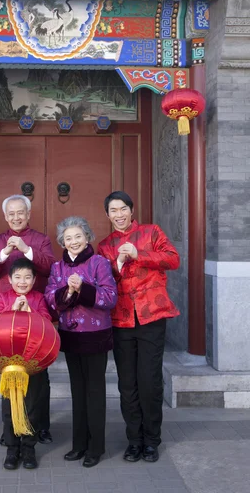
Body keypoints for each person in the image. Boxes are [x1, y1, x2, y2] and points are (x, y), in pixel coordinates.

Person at [97, 191, 180, 463]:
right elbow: (104, 280)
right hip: (121, 320)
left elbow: (173, 259)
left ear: (131, 211)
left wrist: (139, 253)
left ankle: (151, 440)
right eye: (113, 210)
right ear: (107, 215)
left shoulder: (151, 232)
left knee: (150, 382)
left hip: (151, 317)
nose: (118, 214)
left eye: (123, 209)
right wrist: (118, 262)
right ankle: (134, 440)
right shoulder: (105, 245)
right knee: (127, 384)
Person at [0, 194, 55, 445]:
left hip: (35, 314)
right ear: (5, 216)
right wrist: (3, 253)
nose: (16, 217)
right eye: (11, 213)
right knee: (10, 373)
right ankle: (11, 428)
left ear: (28, 213)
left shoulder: (41, 240)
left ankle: (41, 427)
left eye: (20, 212)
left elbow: (49, 268)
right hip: (6, 314)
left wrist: (26, 250)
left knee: (39, 377)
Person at [45, 216, 117, 468]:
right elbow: (51, 301)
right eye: (68, 238)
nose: (73, 241)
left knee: (95, 391)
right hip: (71, 337)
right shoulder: (57, 268)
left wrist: (83, 288)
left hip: (96, 337)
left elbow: (109, 298)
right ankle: (79, 445)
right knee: (78, 391)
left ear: (87, 237)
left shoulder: (99, 263)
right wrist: (68, 291)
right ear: (62, 243)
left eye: (78, 236)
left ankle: (95, 447)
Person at [0, 258, 53, 470]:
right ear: (10, 279)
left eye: (27, 277)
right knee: (10, 407)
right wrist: (12, 311)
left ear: (34, 280)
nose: (22, 281)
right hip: (10, 366)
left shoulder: (38, 298)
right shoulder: (3, 297)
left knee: (31, 407)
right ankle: (12, 449)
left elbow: (45, 323)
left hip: (32, 363)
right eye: (18, 277)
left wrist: (29, 313)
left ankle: (29, 449)